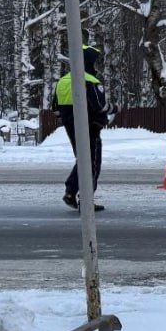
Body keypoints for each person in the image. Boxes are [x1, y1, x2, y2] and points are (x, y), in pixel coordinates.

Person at [54, 45, 108, 211]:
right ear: (88, 62)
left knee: (83, 159)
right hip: (91, 128)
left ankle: (71, 192)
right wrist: (114, 108)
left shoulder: (63, 81)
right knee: (92, 162)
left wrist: (69, 118)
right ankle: (85, 200)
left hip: (71, 128)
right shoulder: (90, 80)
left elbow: (55, 109)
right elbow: (100, 106)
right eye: (95, 62)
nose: (96, 66)